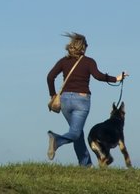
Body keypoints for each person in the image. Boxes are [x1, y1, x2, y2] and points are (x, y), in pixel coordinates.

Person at [46, 32, 128, 167]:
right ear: (83, 47)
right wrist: (116, 78)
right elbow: (98, 76)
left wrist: (52, 95)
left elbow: (50, 77)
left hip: (65, 101)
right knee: (75, 132)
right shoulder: (89, 61)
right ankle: (57, 140)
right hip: (81, 101)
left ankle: (85, 164)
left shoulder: (63, 61)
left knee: (78, 132)